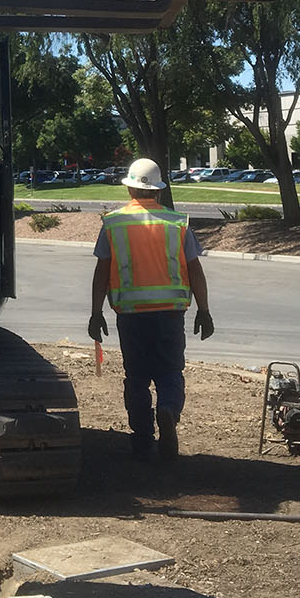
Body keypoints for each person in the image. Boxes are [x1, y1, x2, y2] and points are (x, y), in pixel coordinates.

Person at [88, 158, 213, 461]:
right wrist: (204, 310)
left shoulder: (114, 223)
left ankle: (143, 438)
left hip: (130, 315)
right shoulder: (177, 223)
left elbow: (102, 272)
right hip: (170, 313)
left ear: (130, 188)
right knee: (170, 371)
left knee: (137, 377)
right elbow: (195, 271)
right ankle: (168, 409)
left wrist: (96, 313)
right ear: (157, 191)